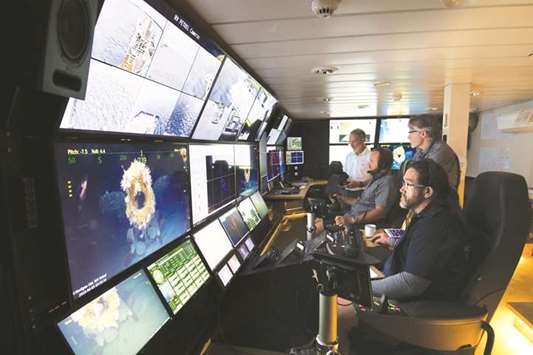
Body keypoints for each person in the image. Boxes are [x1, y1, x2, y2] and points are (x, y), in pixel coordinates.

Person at [371, 159, 469, 301]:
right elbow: (421, 244)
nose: (401, 189)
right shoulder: (429, 215)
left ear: (427, 191)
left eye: (408, 184)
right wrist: (392, 241)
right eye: (403, 183)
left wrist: (363, 289)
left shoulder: (434, 224)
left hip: (418, 303)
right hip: (398, 279)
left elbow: (410, 283)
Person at [334, 147, 397, 227]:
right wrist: (342, 198)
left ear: (382, 164)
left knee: (320, 225)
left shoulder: (386, 183)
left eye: (371, 161)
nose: (368, 163)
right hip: (351, 216)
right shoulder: (375, 178)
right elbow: (362, 203)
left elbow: (380, 212)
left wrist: (351, 219)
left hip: (361, 224)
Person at [407, 115, 460, 189]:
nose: (408, 137)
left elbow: (419, 178)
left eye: (410, 132)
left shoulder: (441, 151)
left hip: (439, 198)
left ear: (423, 134)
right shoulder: (420, 150)